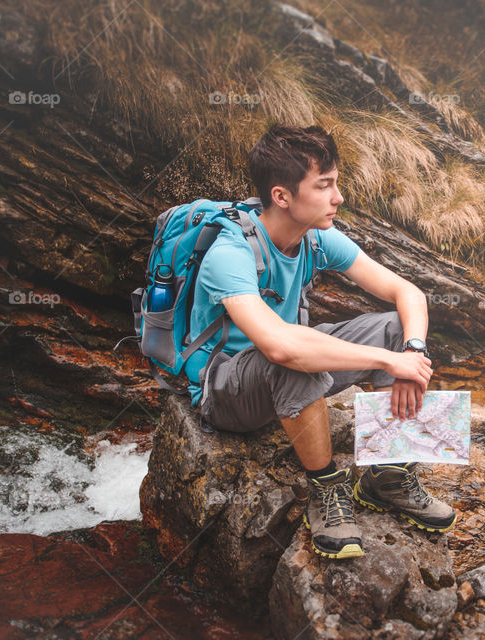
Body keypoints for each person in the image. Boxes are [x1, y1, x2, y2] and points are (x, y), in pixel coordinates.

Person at [184, 124, 457, 559]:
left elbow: (409, 294)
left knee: (396, 328)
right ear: (282, 196)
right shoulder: (230, 254)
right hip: (226, 391)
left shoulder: (317, 238)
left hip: (283, 368)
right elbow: (280, 347)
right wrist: (388, 362)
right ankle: (327, 491)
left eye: (337, 183)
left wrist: (412, 351)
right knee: (294, 356)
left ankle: (387, 475)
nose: (339, 197)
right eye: (325, 185)